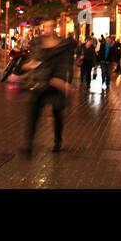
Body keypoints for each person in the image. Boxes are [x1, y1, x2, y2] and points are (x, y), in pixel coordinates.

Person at [23, 20, 74, 155]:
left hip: (55, 84)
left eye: (48, 26)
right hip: (40, 83)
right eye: (43, 26)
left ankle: (58, 140)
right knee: (33, 113)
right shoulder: (38, 43)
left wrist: (65, 82)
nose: (45, 29)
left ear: (54, 28)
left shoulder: (62, 45)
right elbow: (35, 60)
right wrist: (29, 66)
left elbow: (66, 65)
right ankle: (28, 143)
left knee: (57, 114)